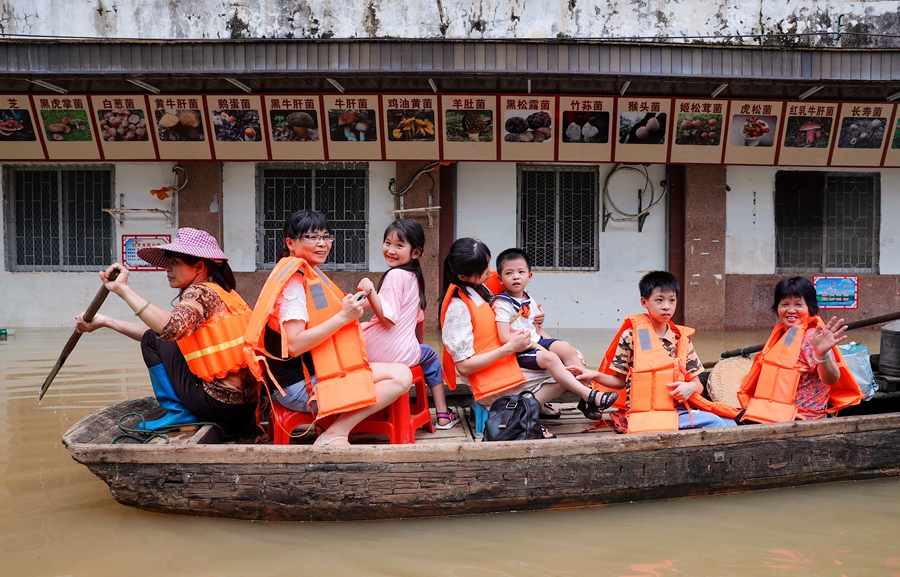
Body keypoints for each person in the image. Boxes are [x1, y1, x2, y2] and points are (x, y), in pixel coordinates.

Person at [243, 210, 411, 447]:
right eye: (311, 238)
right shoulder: (292, 284)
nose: (322, 244)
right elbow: (295, 344)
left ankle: (338, 429)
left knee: (392, 366)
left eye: (326, 236)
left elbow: (322, 317)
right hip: (299, 388)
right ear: (290, 243)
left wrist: (349, 314)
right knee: (401, 376)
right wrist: (343, 317)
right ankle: (334, 434)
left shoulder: (308, 274)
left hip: (315, 373)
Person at [75, 227, 257, 435]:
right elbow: (158, 334)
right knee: (154, 338)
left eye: (174, 263)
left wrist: (122, 290)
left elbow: (167, 330)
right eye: (168, 263)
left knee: (154, 339)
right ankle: (183, 411)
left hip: (219, 405)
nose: (167, 269)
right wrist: (106, 321)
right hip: (245, 407)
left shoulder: (199, 293)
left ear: (198, 267)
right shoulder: (223, 292)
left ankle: (179, 412)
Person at [439, 238, 616, 437]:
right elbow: (463, 367)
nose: (489, 272)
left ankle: (558, 401)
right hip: (488, 372)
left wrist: (536, 324)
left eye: (487, 264)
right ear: (463, 276)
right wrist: (509, 348)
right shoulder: (457, 308)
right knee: (568, 369)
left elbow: (514, 317)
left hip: (507, 356)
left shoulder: (480, 288)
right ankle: (523, 414)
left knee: (574, 358)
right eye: (483, 270)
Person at [568, 271, 738, 434]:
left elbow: (698, 385)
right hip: (644, 414)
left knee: (731, 422)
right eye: (659, 300)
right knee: (716, 423)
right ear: (644, 302)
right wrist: (592, 375)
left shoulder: (680, 338)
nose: (666, 306)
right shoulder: (632, 336)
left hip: (675, 410)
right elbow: (619, 381)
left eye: (672, 300)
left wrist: (690, 387)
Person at [492, 247, 613, 420]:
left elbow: (536, 330)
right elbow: (504, 338)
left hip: (535, 341)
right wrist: (536, 346)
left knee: (566, 348)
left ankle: (587, 400)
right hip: (519, 349)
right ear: (500, 278)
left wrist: (555, 345)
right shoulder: (502, 304)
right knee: (553, 358)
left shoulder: (527, 298)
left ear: (530, 276)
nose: (516, 276)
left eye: (521, 272)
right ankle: (589, 395)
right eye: (509, 273)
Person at [359, 219, 458, 429]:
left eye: (399, 245)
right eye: (388, 243)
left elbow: (387, 317)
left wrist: (369, 288)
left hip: (378, 352)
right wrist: (415, 349)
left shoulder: (395, 275)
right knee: (429, 354)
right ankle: (443, 414)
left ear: (416, 253)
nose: (391, 250)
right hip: (401, 353)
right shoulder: (414, 277)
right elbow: (417, 322)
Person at [738, 276, 863, 423]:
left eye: (798, 305)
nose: (791, 310)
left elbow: (831, 379)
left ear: (809, 308)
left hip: (804, 420)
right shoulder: (786, 334)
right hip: (776, 414)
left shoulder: (812, 338)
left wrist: (822, 354)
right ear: (777, 307)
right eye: (785, 304)